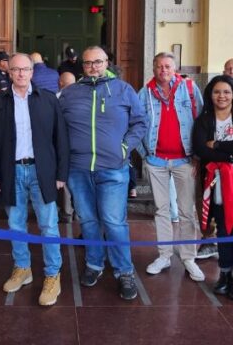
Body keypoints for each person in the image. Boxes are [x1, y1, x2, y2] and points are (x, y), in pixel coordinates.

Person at [59, 46, 146, 301]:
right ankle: (94, 263)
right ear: (82, 66)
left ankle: (124, 271)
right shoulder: (70, 93)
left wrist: (124, 148)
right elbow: (58, 127)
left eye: (98, 62)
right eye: (88, 63)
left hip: (113, 168)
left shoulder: (123, 89)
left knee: (113, 221)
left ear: (107, 62)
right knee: (87, 220)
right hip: (78, 169)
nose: (93, 67)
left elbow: (140, 122)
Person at [0, 53, 69, 306]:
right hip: (11, 172)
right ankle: (22, 268)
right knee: (15, 224)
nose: (21, 73)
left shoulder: (48, 99)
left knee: (48, 225)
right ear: (9, 72)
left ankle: (52, 274)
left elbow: (61, 138)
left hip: (42, 171)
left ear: (32, 72)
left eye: (25, 69)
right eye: (16, 69)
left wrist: (61, 174)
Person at [138, 52, 205, 281]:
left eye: (167, 66)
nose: (163, 70)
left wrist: (197, 156)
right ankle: (164, 255)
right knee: (161, 210)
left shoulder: (189, 89)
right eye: (159, 66)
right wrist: (145, 155)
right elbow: (136, 123)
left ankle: (188, 257)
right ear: (153, 68)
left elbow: (201, 121)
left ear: (175, 68)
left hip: (185, 160)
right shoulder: (145, 93)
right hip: (156, 161)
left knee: (186, 211)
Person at [192, 75, 233, 300]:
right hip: (216, 181)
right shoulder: (204, 120)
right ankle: (225, 273)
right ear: (210, 95)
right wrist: (230, 155)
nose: (222, 96)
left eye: (227, 92)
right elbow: (201, 149)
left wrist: (218, 145)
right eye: (217, 92)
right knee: (223, 228)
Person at [56, 71, 77, 223]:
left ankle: (67, 212)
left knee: (63, 179)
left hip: (63, 145)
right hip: (75, 145)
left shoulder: (54, 99)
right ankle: (76, 212)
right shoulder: (81, 98)